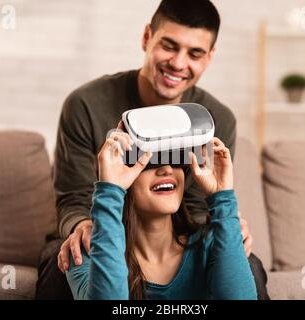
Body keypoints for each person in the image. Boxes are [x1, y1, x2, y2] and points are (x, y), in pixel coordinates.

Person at [35, 0, 269, 299]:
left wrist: (226, 228)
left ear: (209, 57)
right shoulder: (85, 104)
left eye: (195, 53)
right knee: (68, 256)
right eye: (169, 46)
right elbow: (74, 198)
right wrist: (84, 225)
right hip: (102, 223)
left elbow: (196, 209)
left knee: (247, 263)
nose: (178, 63)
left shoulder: (215, 118)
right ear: (147, 37)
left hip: (173, 237)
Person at [66, 129, 257, 300]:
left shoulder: (211, 244)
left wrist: (222, 197)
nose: (166, 169)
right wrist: (110, 191)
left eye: (175, 160)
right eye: (148, 161)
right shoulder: (85, 253)